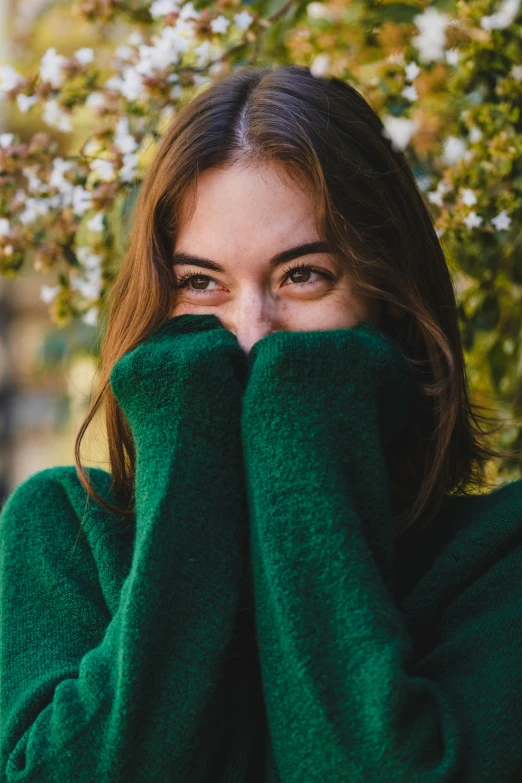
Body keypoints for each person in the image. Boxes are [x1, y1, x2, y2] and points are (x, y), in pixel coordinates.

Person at [1, 63, 521, 782]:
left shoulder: (499, 558)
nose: (251, 334)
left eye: (303, 274)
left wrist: (298, 435)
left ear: (388, 298)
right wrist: (192, 465)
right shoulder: (62, 533)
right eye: (200, 283)